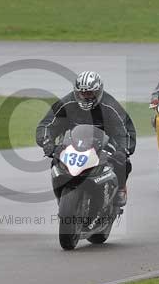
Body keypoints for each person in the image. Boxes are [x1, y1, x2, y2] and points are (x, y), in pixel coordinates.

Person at [36, 71, 136, 208]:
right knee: (56, 160)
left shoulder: (110, 105)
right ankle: (61, 193)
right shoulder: (66, 103)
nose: (86, 96)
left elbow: (126, 130)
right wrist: (46, 141)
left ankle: (120, 188)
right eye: (82, 93)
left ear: (98, 91)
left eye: (90, 93)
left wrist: (123, 150)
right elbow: (47, 124)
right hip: (74, 141)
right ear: (76, 92)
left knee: (122, 161)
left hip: (105, 143)